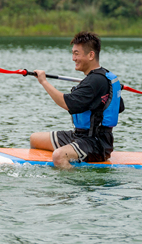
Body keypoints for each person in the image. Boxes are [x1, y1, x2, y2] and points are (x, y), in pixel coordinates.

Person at [27, 32, 124, 169]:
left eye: (77, 54)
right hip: (79, 135)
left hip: (96, 143)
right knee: (35, 139)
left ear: (91, 55)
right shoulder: (102, 78)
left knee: (58, 156)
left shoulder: (95, 81)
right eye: (73, 53)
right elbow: (119, 106)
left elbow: (67, 103)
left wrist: (43, 82)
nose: (73, 58)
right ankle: (60, 166)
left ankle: (75, 183)